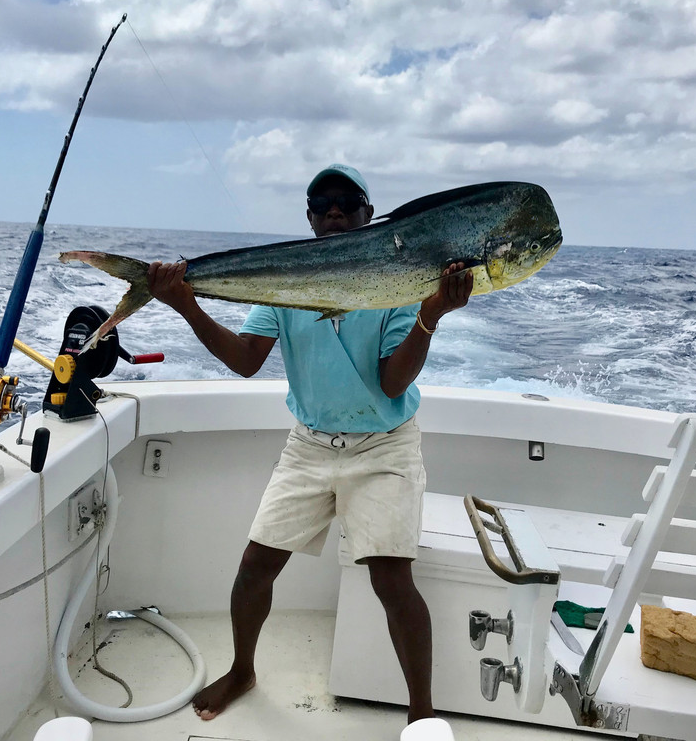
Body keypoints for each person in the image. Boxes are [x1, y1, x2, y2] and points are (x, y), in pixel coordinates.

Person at [146, 164, 473, 727]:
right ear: (309, 219)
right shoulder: (286, 283)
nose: (334, 212)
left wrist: (429, 315)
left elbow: (393, 383)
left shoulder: (398, 280)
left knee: (391, 578)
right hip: (310, 445)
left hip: (384, 447)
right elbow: (246, 361)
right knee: (254, 567)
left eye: (347, 202)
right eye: (321, 205)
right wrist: (185, 303)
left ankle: (423, 717)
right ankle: (244, 669)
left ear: (370, 215)